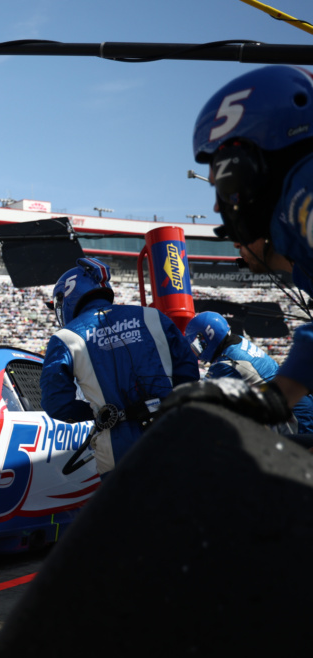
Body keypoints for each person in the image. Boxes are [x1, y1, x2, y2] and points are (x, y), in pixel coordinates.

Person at [168, 65, 313, 424]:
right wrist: (276, 397)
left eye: (219, 184)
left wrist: (276, 397)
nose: (219, 207)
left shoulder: (304, 193)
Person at [40, 258, 199, 475]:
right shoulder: (152, 316)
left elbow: (55, 403)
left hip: (117, 447)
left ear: (67, 296)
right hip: (174, 431)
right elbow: (189, 371)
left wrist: (100, 414)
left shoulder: (64, 338)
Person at [183, 311, 313, 433]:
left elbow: (201, 396)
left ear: (206, 338)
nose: (197, 352)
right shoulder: (237, 342)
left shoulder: (225, 363)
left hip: (291, 410)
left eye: (196, 346)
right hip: (296, 398)